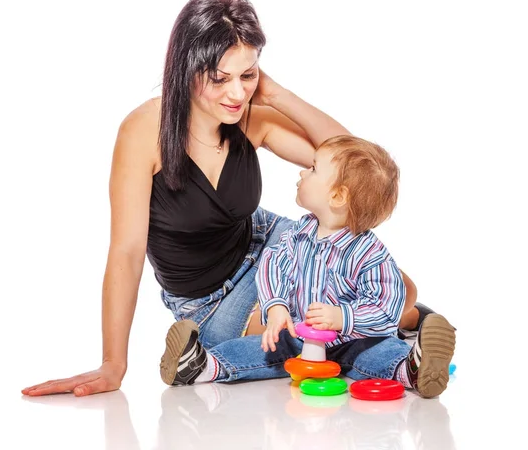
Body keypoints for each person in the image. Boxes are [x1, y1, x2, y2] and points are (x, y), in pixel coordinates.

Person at [22, 0, 426, 398]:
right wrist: (114, 364)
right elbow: (126, 250)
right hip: (213, 301)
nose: (236, 94)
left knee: (400, 289)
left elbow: (354, 168)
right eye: (220, 78)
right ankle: (398, 339)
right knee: (307, 331)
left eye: (247, 75)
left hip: (273, 242)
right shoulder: (143, 131)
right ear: (186, 69)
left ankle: (404, 324)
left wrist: (276, 95)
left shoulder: (250, 116)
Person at [159, 136, 456, 398]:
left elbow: (386, 307)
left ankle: (412, 370)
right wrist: (276, 307)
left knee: (377, 354)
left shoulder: (369, 253)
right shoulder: (299, 233)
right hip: (300, 337)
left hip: (352, 339)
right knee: (263, 346)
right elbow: (274, 265)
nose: (303, 172)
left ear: (337, 196)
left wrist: (343, 317)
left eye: (313, 169)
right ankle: (201, 365)